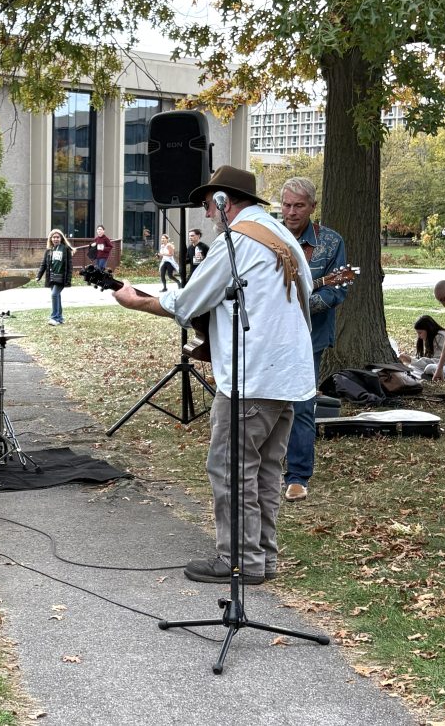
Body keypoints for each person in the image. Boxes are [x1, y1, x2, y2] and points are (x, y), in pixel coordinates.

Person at [112, 165, 314, 585]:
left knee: (230, 467)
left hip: (251, 377)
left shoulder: (236, 241)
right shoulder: (285, 239)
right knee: (265, 471)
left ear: (224, 202)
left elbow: (186, 303)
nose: (205, 213)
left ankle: (237, 559)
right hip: (289, 377)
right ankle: (262, 558)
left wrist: (134, 301)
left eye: (207, 204)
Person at [278, 176, 347, 503]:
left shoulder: (331, 242)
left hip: (310, 336)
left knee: (302, 405)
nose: (291, 212)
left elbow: (338, 290)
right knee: (266, 403)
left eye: (299, 206)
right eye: (287, 205)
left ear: (312, 207)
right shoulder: (267, 236)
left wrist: (299, 306)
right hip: (268, 336)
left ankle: (297, 475)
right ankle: (264, 466)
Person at [36, 229, 74, 325]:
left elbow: (69, 266)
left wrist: (68, 279)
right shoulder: (49, 250)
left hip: (61, 277)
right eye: (54, 237)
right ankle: (60, 318)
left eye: (57, 237)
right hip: (52, 277)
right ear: (51, 239)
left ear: (61, 238)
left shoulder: (65, 249)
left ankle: (54, 318)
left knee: (54, 295)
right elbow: (43, 264)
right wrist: (38, 276)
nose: (55, 239)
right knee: (57, 296)